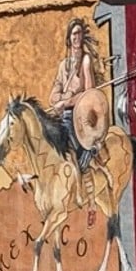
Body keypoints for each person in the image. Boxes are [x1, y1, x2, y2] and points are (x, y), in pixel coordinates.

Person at [48, 18, 106, 176]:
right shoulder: (63, 65)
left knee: (69, 139)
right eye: (74, 34)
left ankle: (86, 157)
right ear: (69, 38)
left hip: (80, 114)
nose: (77, 37)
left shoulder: (85, 61)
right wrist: (59, 99)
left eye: (79, 33)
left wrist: (66, 102)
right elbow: (53, 95)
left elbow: (89, 93)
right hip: (64, 114)